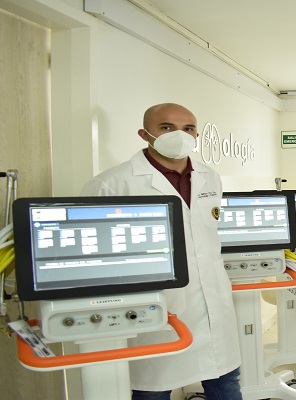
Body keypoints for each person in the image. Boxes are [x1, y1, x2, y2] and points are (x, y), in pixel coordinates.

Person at [81, 103, 242, 400]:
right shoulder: (113, 183)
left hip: (213, 302)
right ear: (145, 134)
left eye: (188, 128)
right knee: (153, 390)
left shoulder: (210, 177)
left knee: (226, 383)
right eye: (166, 127)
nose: (179, 135)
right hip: (155, 305)